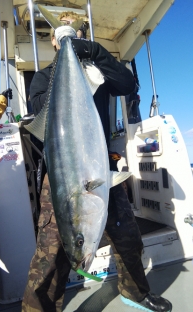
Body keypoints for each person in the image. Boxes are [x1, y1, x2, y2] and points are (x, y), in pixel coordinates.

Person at [22, 11, 172, 312]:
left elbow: (128, 84)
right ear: (54, 43)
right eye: (60, 36)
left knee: (127, 235)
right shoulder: (43, 77)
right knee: (50, 252)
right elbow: (39, 108)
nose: (67, 38)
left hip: (101, 166)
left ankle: (136, 293)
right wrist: (64, 66)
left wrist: (95, 52)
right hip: (64, 174)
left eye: (75, 35)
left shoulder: (97, 73)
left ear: (81, 37)